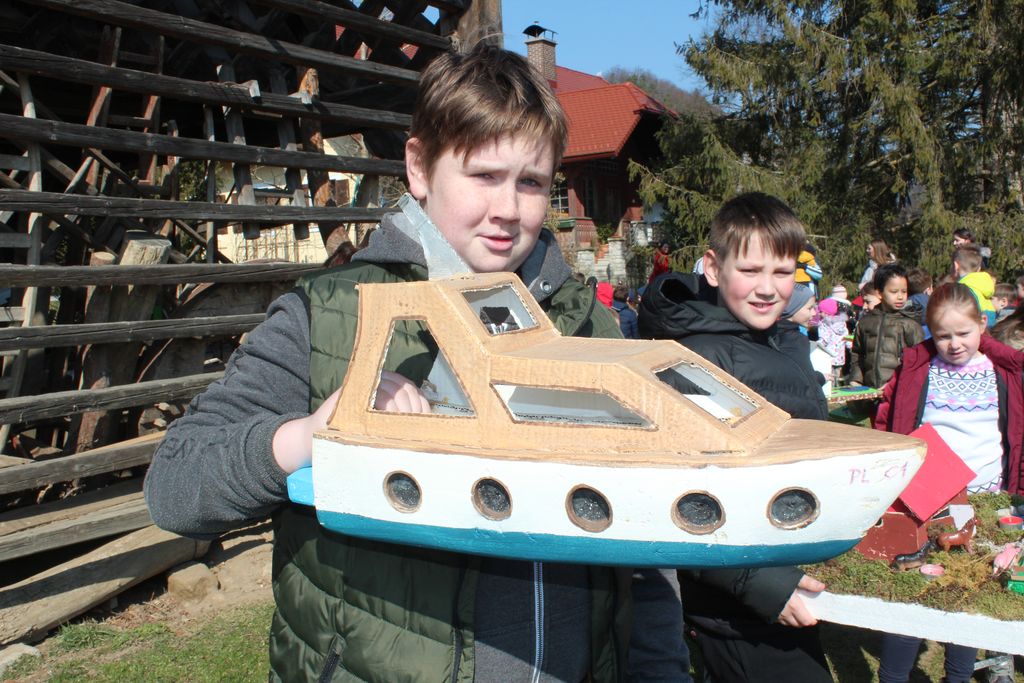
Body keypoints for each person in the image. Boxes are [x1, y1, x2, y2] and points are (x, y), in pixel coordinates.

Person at [145, 44, 690, 682]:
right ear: (420, 167)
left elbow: (649, 536)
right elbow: (174, 487)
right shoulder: (329, 316)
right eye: (483, 175)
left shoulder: (588, 325)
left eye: (532, 182)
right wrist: (311, 435)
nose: (508, 209)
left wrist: (660, 671)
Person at [637, 192, 832, 683]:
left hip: (785, 569)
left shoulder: (782, 339)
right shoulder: (696, 362)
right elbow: (674, 495)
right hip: (740, 603)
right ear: (712, 267)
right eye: (750, 270)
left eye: (782, 272)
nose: (767, 288)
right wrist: (763, 585)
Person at [874, 282, 1024, 683]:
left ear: (982, 325)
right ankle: (894, 676)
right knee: (910, 590)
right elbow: (889, 420)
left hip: (984, 498)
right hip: (925, 498)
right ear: (930, 333)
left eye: (963, 333)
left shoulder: (1004, 372)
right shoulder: (918, 370)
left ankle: (958, 676)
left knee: (967, 594)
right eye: (943, 336)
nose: (954, 344)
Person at [848, 263, 925, 388]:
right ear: (879, 293)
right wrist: (856, 379)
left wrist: (895, 383)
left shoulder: (911, 324)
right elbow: (857, 353)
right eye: (894, 291)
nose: (900, 296)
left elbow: (918, 361)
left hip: (899, 390)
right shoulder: (866, 322)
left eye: (904, 291)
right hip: (869, 391)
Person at [953, 244, 996, 326]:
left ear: (956, 266)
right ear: (979, 269)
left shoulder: (962, 289)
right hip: (987, 325)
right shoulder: (983, 286)